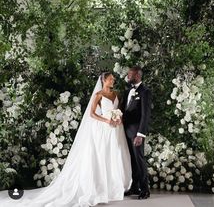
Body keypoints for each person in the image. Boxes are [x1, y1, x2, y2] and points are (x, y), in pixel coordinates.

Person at [0, 72, 132, 207]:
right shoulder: (98, 95)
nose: (113, 81)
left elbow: (119, 109)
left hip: (116, 129)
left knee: (115, 155)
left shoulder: (117, 94)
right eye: (110, 79)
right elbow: (92, 114)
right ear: (104, 80)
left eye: (113, 79)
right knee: (103, 156)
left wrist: (118, 118)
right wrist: (106, 120)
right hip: (104, 128)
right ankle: (102, 188)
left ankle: (115, 186)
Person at [120, 66, 151, 200]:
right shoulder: (127, 90)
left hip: (136, 132)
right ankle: (134, 187)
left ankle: (145, 189)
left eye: (130, 75)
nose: (127, 77)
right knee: (132, 160)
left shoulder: (145, 91)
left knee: (139, 159)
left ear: (137, 76)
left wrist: (140, 134)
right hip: (125, 130)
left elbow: (145, 114)